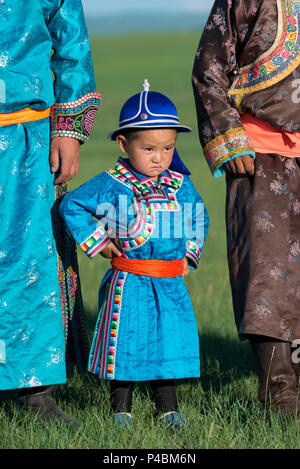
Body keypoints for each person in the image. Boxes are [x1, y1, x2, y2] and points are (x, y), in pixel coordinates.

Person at [59, 80, 209, 428]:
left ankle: (168, 408)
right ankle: (120, 411)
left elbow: (197, 215)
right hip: (128, 281)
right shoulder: (113, 183)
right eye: (149, 149)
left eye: (168, 148)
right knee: (124, 344)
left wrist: (188, 254)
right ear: (124, 144)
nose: (160, 158)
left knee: (167, 345)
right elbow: (72, 205)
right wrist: (99, 241)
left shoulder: (180, 184)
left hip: (169, 282)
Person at [192, 0, 300, 416]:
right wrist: (227, 136)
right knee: (268, 279)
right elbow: (209, 68)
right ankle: (281, 393)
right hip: (260, 152)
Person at [0, 0, 101, 425]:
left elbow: (71, 38)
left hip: (25, 132)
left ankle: (33, 392)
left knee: (29, 260)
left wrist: (69, 130)